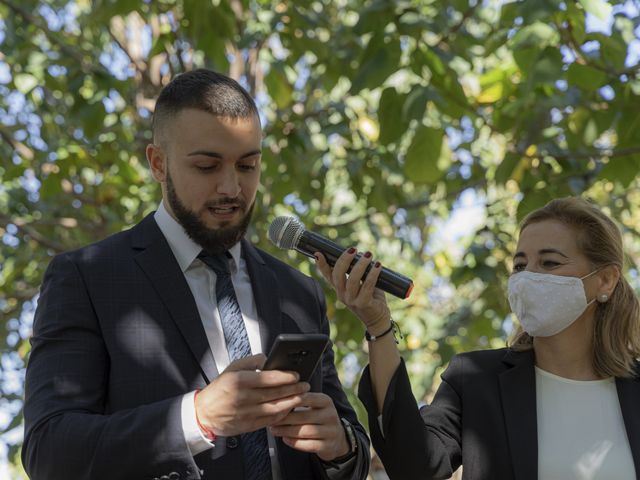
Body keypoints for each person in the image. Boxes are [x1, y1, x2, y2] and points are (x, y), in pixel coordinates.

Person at [22, 69, 370, 480]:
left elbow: (353, 457)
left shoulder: (298, 291)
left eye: (248, 165)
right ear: (158, 164)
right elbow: (50, 452)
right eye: (207, 166)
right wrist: (196, 418)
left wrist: (340, 446)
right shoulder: (86, 278)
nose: (231, 187)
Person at [315, 197, 640, 480]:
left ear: (605, 281)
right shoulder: (475, 379)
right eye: (520, 265)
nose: (528, 277)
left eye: (550, 262)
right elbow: (414, 466)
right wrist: (378, 325)